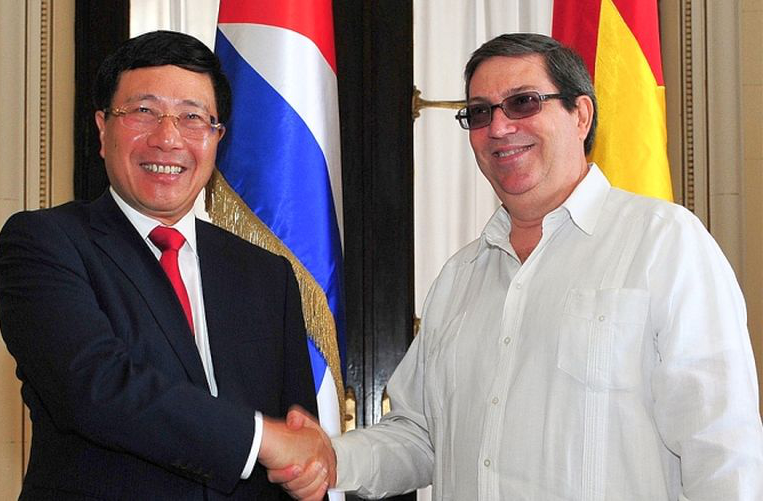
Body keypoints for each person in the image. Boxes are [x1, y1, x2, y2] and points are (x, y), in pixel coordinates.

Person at [273, 32, 763, 500]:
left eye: (524, 102)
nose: (499, 127)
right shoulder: (460, 277)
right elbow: (420, 436)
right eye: (479, 112)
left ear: (581, 115)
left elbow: (721, 449)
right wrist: (331, 458)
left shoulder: (663, 243)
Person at [0, 30, 334, 500]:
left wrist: (306, 469)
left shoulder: (267, 275)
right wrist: (261, 439)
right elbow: (95, 386)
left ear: (217, 139)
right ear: (102, 129)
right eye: (143, 112)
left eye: (193, 117)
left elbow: (297, 446)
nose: (167, 138)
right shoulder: (45, 243)